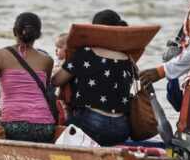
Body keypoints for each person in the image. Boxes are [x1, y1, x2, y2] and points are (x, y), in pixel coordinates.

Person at [0, 13, 55, 143]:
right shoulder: (48, 60)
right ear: (38, 35)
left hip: (11, 126)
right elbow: (45, 90)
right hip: (44, 128)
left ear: (14, 32)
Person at [51, 10, 133, 146]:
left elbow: (56, 80)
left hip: (92, 126)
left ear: (95, 30)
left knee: (60, 128)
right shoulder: (127, 58)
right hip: (122, 129)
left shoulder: (86, 54)